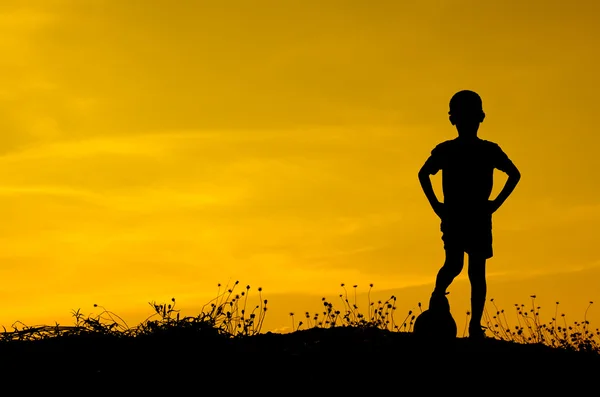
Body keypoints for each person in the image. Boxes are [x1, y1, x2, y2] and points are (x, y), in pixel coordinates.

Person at [418, 90, 521, 339]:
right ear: (454, 120)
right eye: (462, 117)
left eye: (470, 116)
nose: (466, 122)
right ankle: (438, 295)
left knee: (476, 271)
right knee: (454, 265)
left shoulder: (489, 150)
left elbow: (514, 174)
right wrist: (436, 205)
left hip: (476, 216)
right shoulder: (446, 150)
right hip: (455, 215)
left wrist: (494, 204)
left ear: (480, 118)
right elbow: (423, 174)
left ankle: (475, 325)